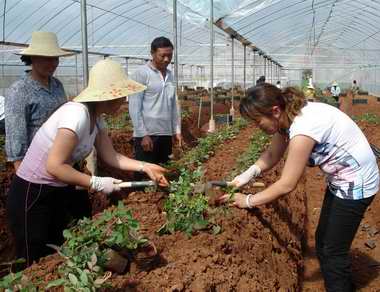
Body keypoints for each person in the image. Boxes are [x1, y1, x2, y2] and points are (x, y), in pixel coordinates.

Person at [6, 59, 169, 267]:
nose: (125, 99)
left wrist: (145, 167)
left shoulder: (96, 117)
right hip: (32, 194)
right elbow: (54, 166)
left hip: (55, 190)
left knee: (55, 255)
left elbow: (111, 156)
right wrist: (96, 182)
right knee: (34, 262)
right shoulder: (77, 115)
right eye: (122, 94)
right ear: (110, 96)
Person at [220, 83, 379, 292]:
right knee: (324, 242)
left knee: (332, 252)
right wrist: (244, 177)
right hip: (341, 179)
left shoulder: (304, 128)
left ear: (275, 111)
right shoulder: (287, 117)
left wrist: (248, 200)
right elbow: (272, 155)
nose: (257, 128)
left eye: (258, 122)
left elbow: (287, 184)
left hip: (356, 184)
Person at [5, 31, 74, 171]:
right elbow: (16, 135)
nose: (53, 64)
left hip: (62, 162)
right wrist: (23, 172)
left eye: (56, 59)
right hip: (36, 166)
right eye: (47, 59)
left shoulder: (57, 85)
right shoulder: (20, 90)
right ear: (33, 59)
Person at [129, 36, 182, 166]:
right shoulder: (141, 74)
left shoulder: (170, 75)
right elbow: (134, 107)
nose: (166, 59)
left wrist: (177, 130)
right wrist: (142, 135)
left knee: (164, 171)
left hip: (165, 133)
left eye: (170, 55)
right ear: (152, 53)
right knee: (145, 173)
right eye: (162, 55)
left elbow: (173, 106)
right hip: (148, 136)